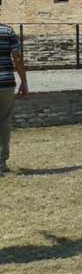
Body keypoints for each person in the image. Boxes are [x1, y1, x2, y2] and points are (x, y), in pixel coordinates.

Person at [0, 23, 28, 176]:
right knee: (4, 122)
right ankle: (1, 162)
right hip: (6, 83)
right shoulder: (7, 31)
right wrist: (24, 81)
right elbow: (16, 57)